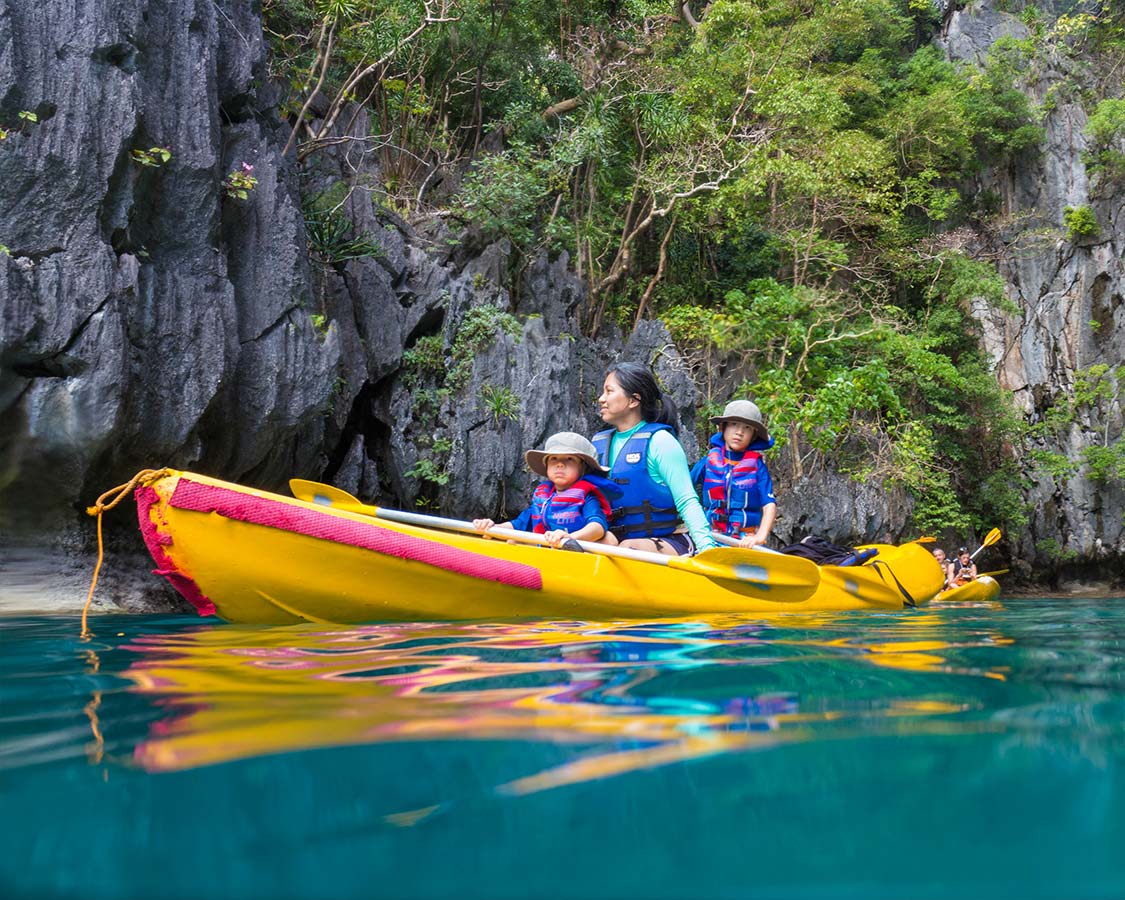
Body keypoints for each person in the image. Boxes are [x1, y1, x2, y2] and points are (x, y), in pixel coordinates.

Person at [591, 362, 718, 556]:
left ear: (634, 401)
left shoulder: (661, 442)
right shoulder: (598, 444)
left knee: (627, 549)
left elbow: (686, 499)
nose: (601, 399)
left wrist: (708, 548)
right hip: (617, 540)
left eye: (609, 392)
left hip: (670, 539)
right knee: (596, 541)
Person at [472, 432, 621, 548]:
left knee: (609, 538)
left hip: (577, 547)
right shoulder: (543, 498)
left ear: (583, 468)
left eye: (569, 459)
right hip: (546, 548)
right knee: (512, 540)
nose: (560, 464)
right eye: (553, 459)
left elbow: (598, 526)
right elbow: (519, 524)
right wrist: (493, 527)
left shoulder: (587, 497)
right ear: (547, 466)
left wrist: (571, 538)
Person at [690, 399, 777, 548]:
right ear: (723, 428)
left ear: (753, 435)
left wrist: (759, 537)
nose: (739, 432)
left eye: (747, 428)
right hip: (710, 536)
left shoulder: (757, 467)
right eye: (734, 424)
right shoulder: (707, 462)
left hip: (745, 540)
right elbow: (683, 491)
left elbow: (769, 505)